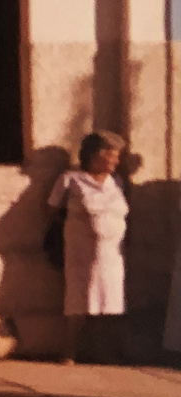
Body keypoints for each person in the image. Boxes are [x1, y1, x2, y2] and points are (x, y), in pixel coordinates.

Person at [48, 131, 128, 363]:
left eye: (116, 157)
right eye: (110, 156)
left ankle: (106, 353)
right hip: (82, 252)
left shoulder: (117, 182)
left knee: (110, 301)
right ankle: (69, 351)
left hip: (112, 253)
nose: (115, 162)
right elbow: (51, 210)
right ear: (94, 156)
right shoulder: (70, 179)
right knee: (79, 300)